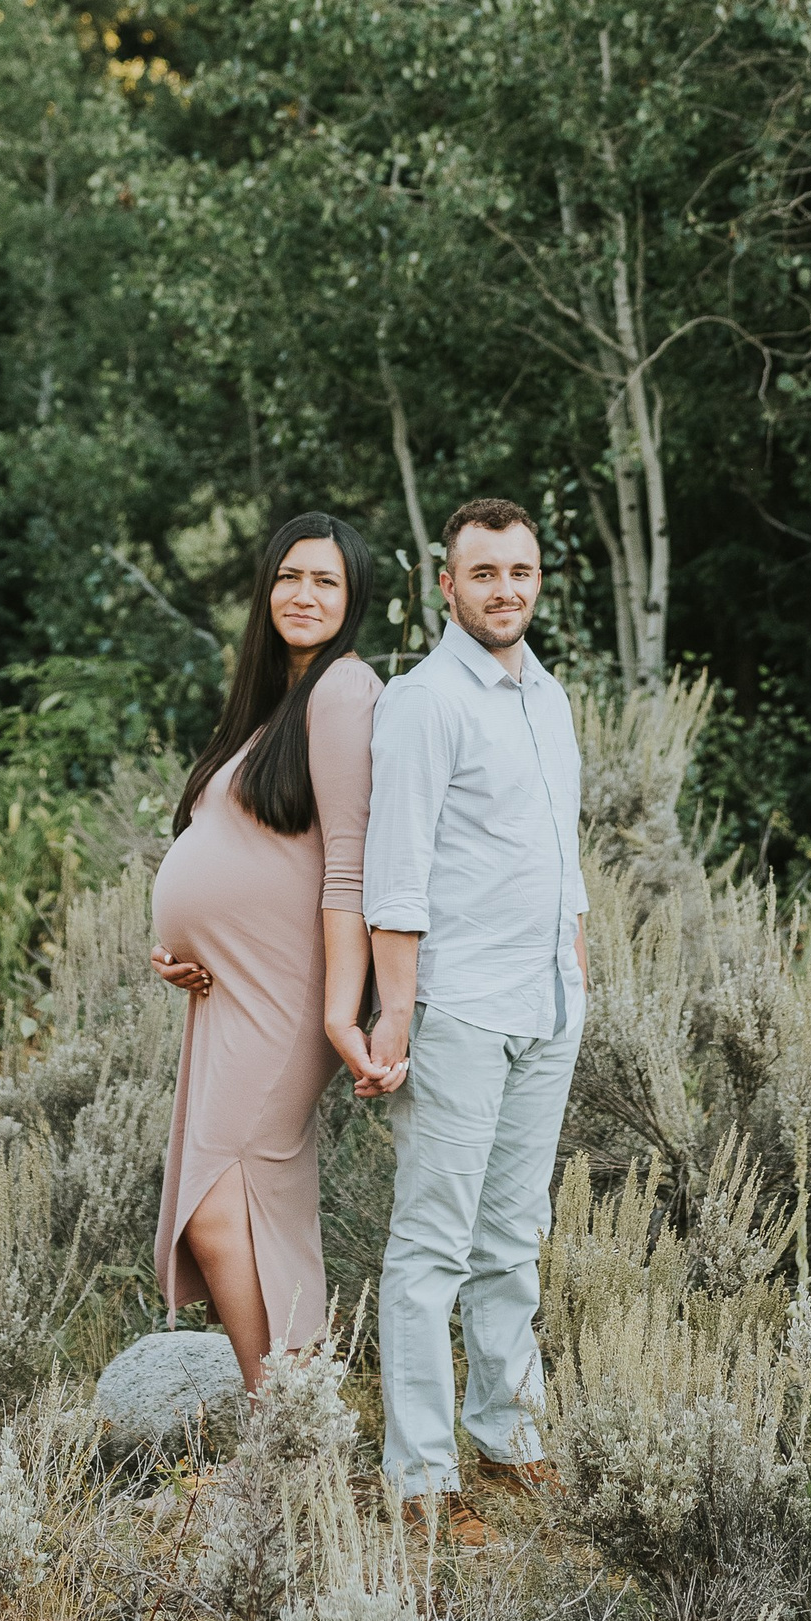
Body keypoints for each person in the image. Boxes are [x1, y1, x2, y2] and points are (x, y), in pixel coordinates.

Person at [362, 496, 586, 1542]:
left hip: (545, 1005)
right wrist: (396, 1016)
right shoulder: (421, 701)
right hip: (455, 1010)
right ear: (444, 584)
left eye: (521, 570)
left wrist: (574, 966)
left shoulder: (549, 696)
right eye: (484, 571)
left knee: (512, 1238)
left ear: (540, 579)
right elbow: (393, 874)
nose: (505, 588)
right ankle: (419, 1473)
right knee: (432, 1246)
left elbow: (562, 854)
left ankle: (508, 1433)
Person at [148, 510, 396, 1385]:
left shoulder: (342, 690)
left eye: (326, 580)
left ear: (353, 596)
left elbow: (350, 864)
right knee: (247, 1205)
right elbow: (244, 858)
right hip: (226, 994)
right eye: (291, 576)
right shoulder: (272, 705)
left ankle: (283, 1424)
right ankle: (292, 1431)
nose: (304, 594)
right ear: (267, 588)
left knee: (220, 1208)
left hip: (287, 996)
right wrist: (176, 941)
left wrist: (342, 1007)